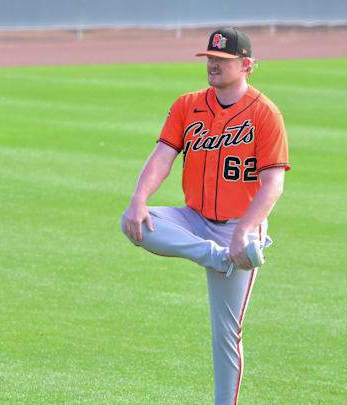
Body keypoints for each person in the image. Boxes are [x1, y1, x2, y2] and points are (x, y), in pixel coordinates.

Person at [121, 27, 290, 405]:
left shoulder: (266, 114)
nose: (212, 63)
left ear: (246, 65)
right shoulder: (187, 105)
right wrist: (139, 198)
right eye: (209, 57)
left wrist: (244, 231)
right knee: (133, 221)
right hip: (193, 220)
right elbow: (163, 157)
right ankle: (215, 258)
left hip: (238, 227)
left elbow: (272, 184)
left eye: (222, 59)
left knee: (226, 333)